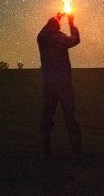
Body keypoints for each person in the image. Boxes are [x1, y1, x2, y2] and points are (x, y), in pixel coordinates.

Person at [37, 11, 81, 162]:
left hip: (49, 83)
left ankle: (45, 152)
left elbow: (47, 27)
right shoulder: (60, 38)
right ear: (56, 28)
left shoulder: (41, 37)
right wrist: (71, 23)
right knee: (70, 118)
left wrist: (57, 16)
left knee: (47, 118)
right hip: (63, 83)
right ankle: (77, 153)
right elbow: (75, 40)